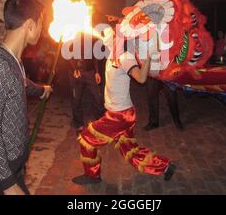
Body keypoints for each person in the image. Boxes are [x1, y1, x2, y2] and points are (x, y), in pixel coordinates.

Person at [72, 29, 176, 185]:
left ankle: (92, 176)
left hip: (119, 116)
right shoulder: (112, 55)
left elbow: (141, 78)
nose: (107, 36)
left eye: (112, 34)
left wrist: (148, 54)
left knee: (86, 139)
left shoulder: (124, 57)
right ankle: (165, 166)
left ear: (118, 39)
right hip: (121, 114)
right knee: (130, 150)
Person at [0, 0, 52, 195]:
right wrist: (8, 184)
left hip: (13, 162)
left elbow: (18, 83)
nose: (43, 29)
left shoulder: (12, 59)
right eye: (41, 23)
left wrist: (41, 89)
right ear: (29, 25)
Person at [69, 33, 104, 133]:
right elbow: (68, 57)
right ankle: (79, 124)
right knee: (76, 100)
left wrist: (97, 72)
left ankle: (99, 124)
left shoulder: (89, 36)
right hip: (77, 73)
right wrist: (74, 69)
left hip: (90, 72)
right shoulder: (71, 36)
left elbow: (95, 56)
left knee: (98, 98)